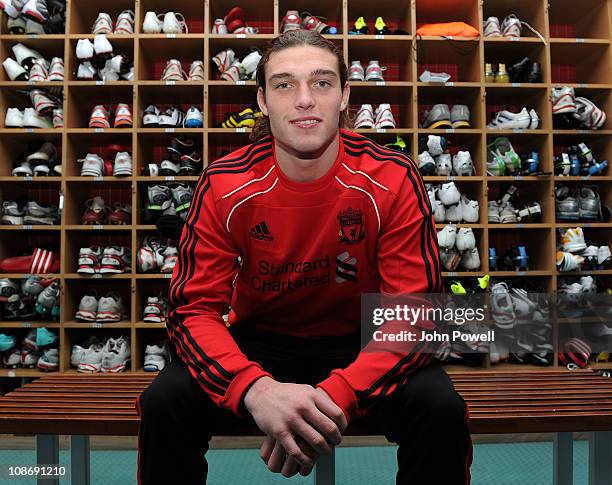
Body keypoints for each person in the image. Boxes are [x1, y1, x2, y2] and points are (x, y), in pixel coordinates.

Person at [137, 30, 472, 484]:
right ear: (262, 99)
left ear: (344, 96)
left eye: (321, 83)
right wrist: (256, 390)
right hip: (259, 343)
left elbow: (412, 313)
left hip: (363, 339)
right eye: (284, 85)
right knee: (163, 402)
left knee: (441, 408)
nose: (304, 100)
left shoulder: (392, 175)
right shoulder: (223, 183)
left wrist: (334, 395)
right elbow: (193, 310)